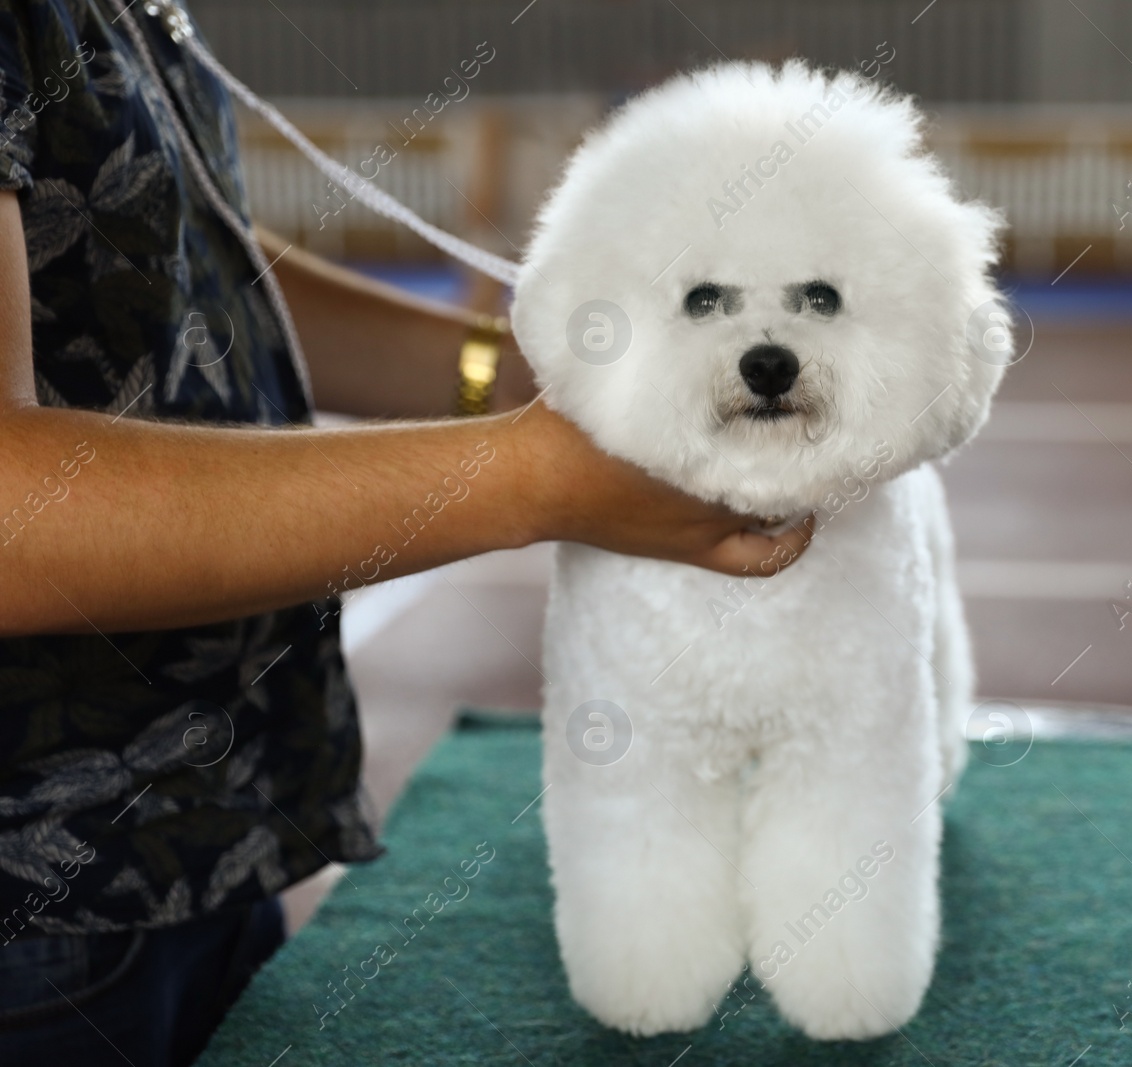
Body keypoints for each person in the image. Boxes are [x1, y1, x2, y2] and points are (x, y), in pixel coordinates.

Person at [0, 1, 811, 1063]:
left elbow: (161, 251)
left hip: (194, 831)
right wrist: (528, 474)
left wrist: (525, 374)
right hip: (44, 895)